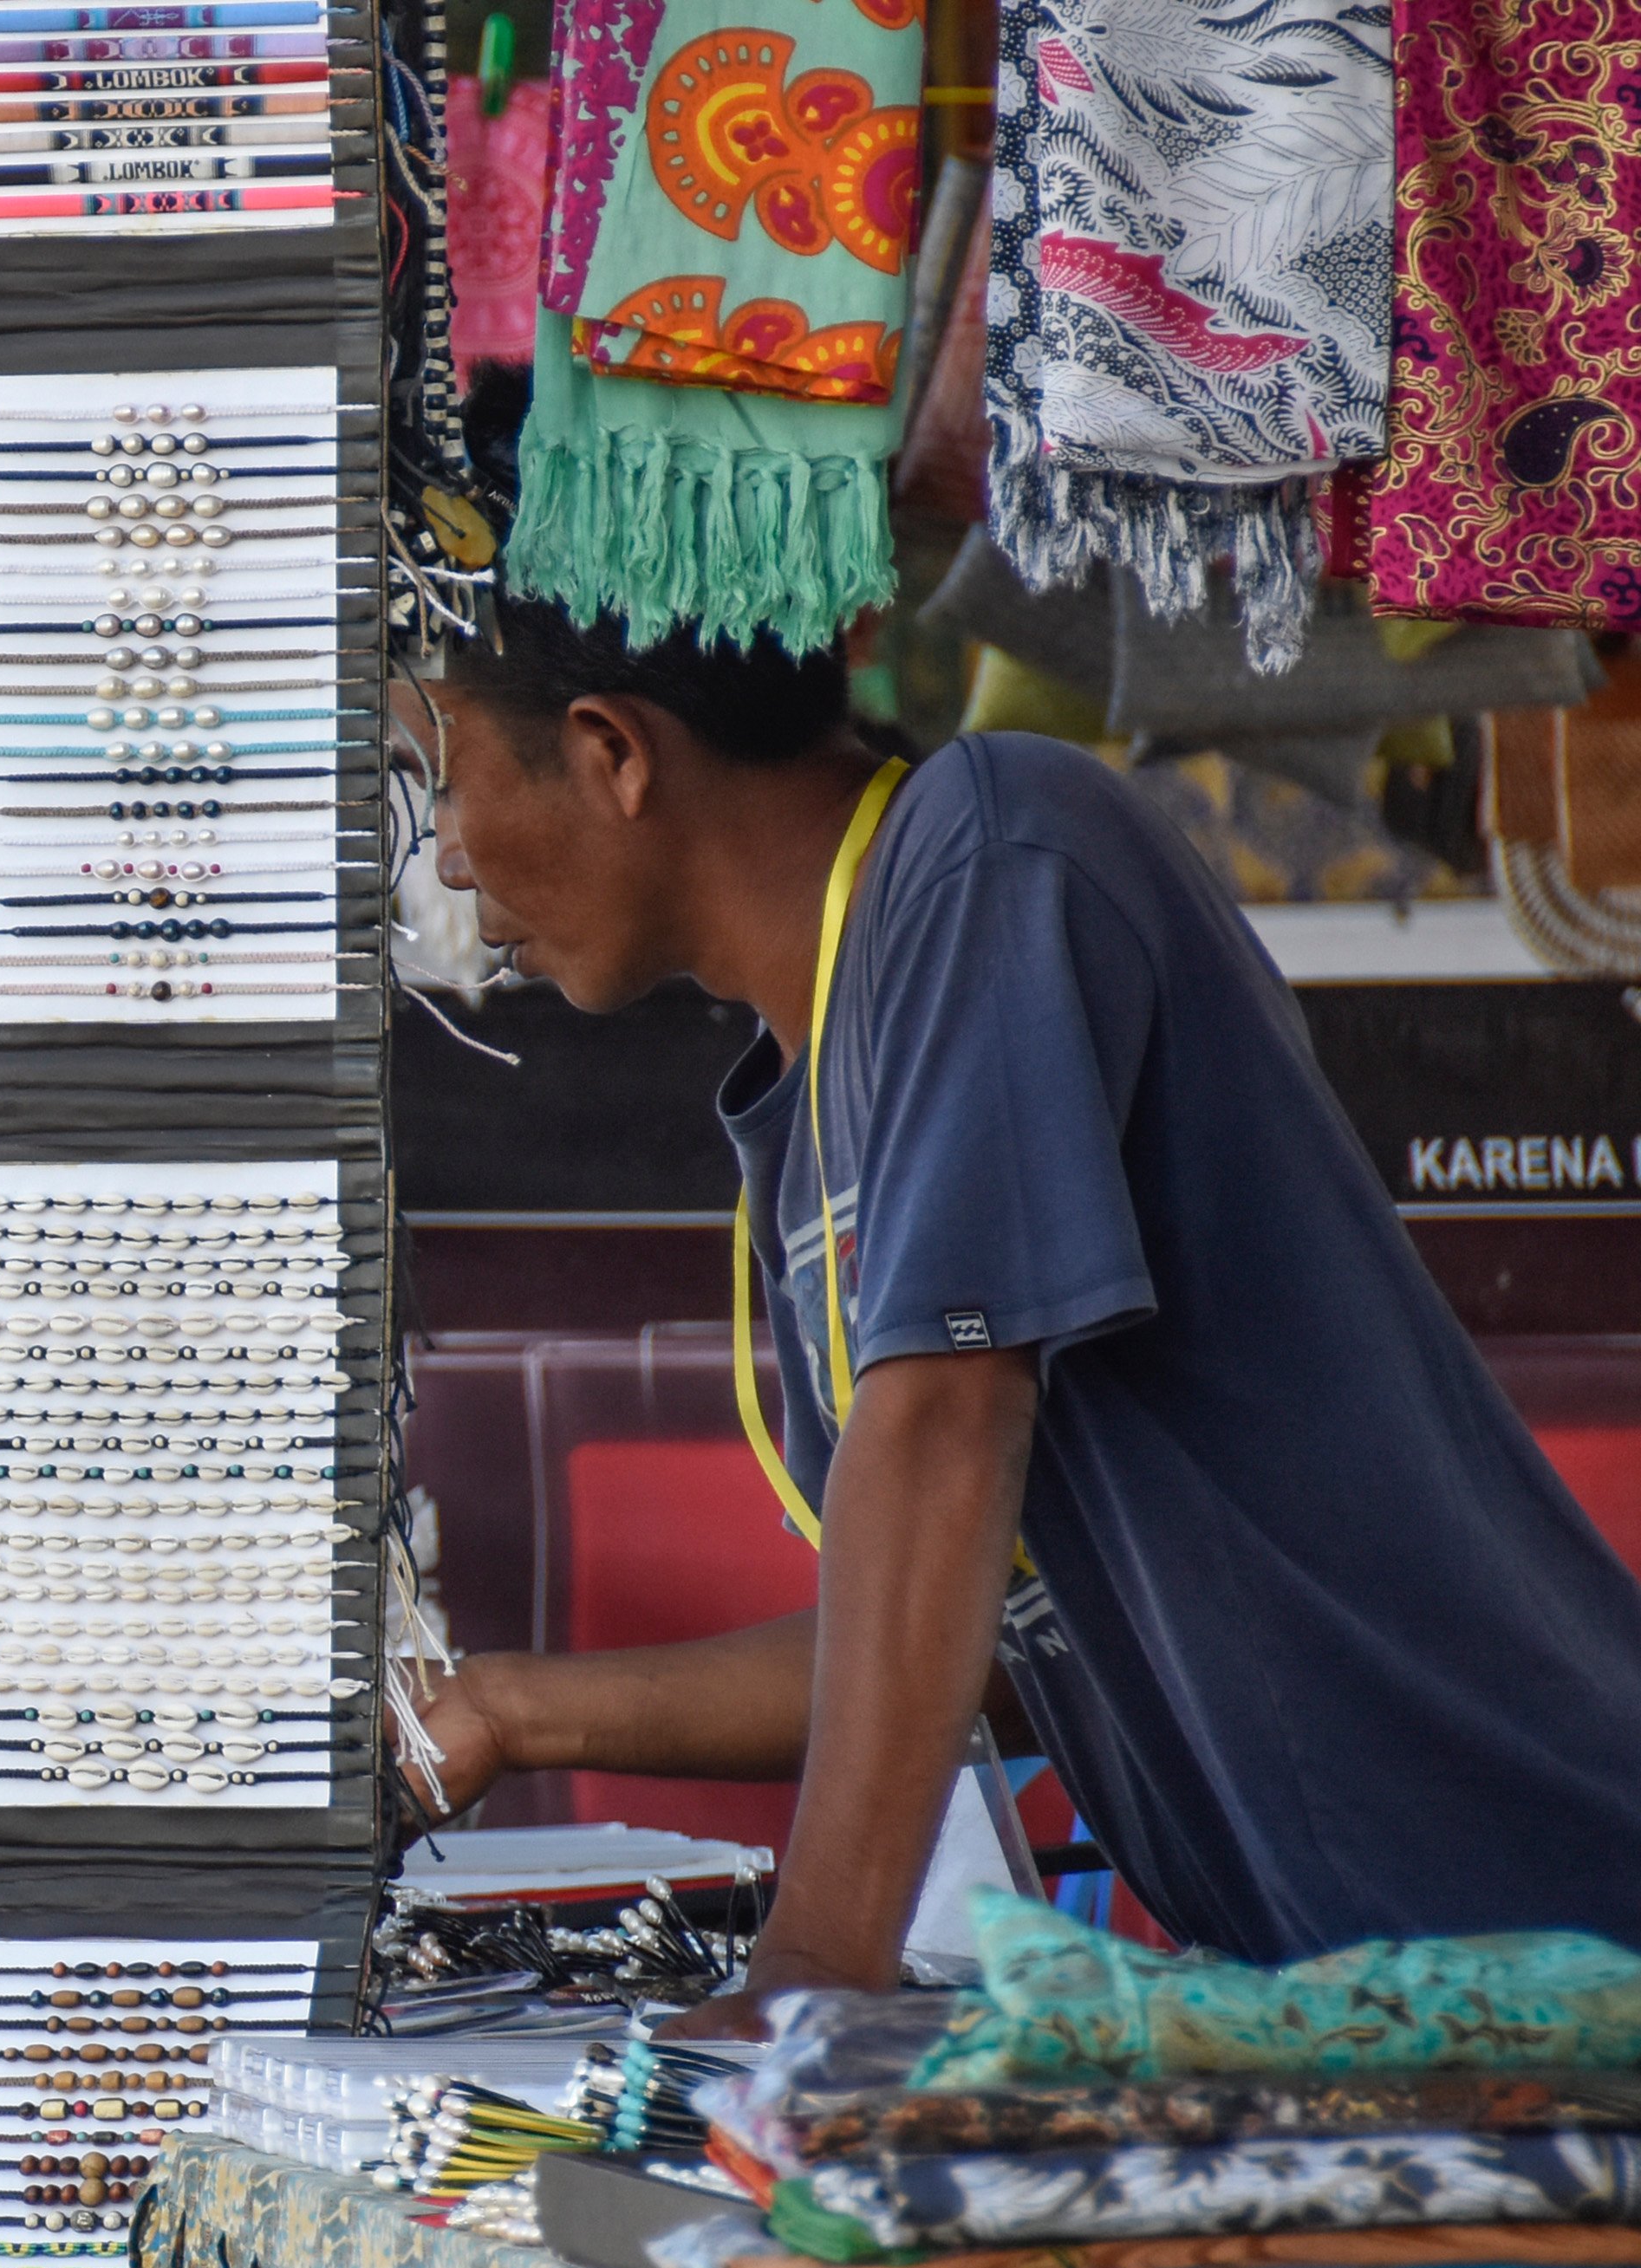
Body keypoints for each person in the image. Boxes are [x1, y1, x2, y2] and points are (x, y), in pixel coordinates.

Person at [392, 594, 1641, 2027]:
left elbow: (946, 1426)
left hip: (1545, 1925)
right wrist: (505, 1712)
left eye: (446, 776)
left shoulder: (991, 845)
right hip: (1362, 1986)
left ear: (612, 750)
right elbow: (975, 1639)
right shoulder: (817, 1086)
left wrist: (809, 1986)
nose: (454, 859)